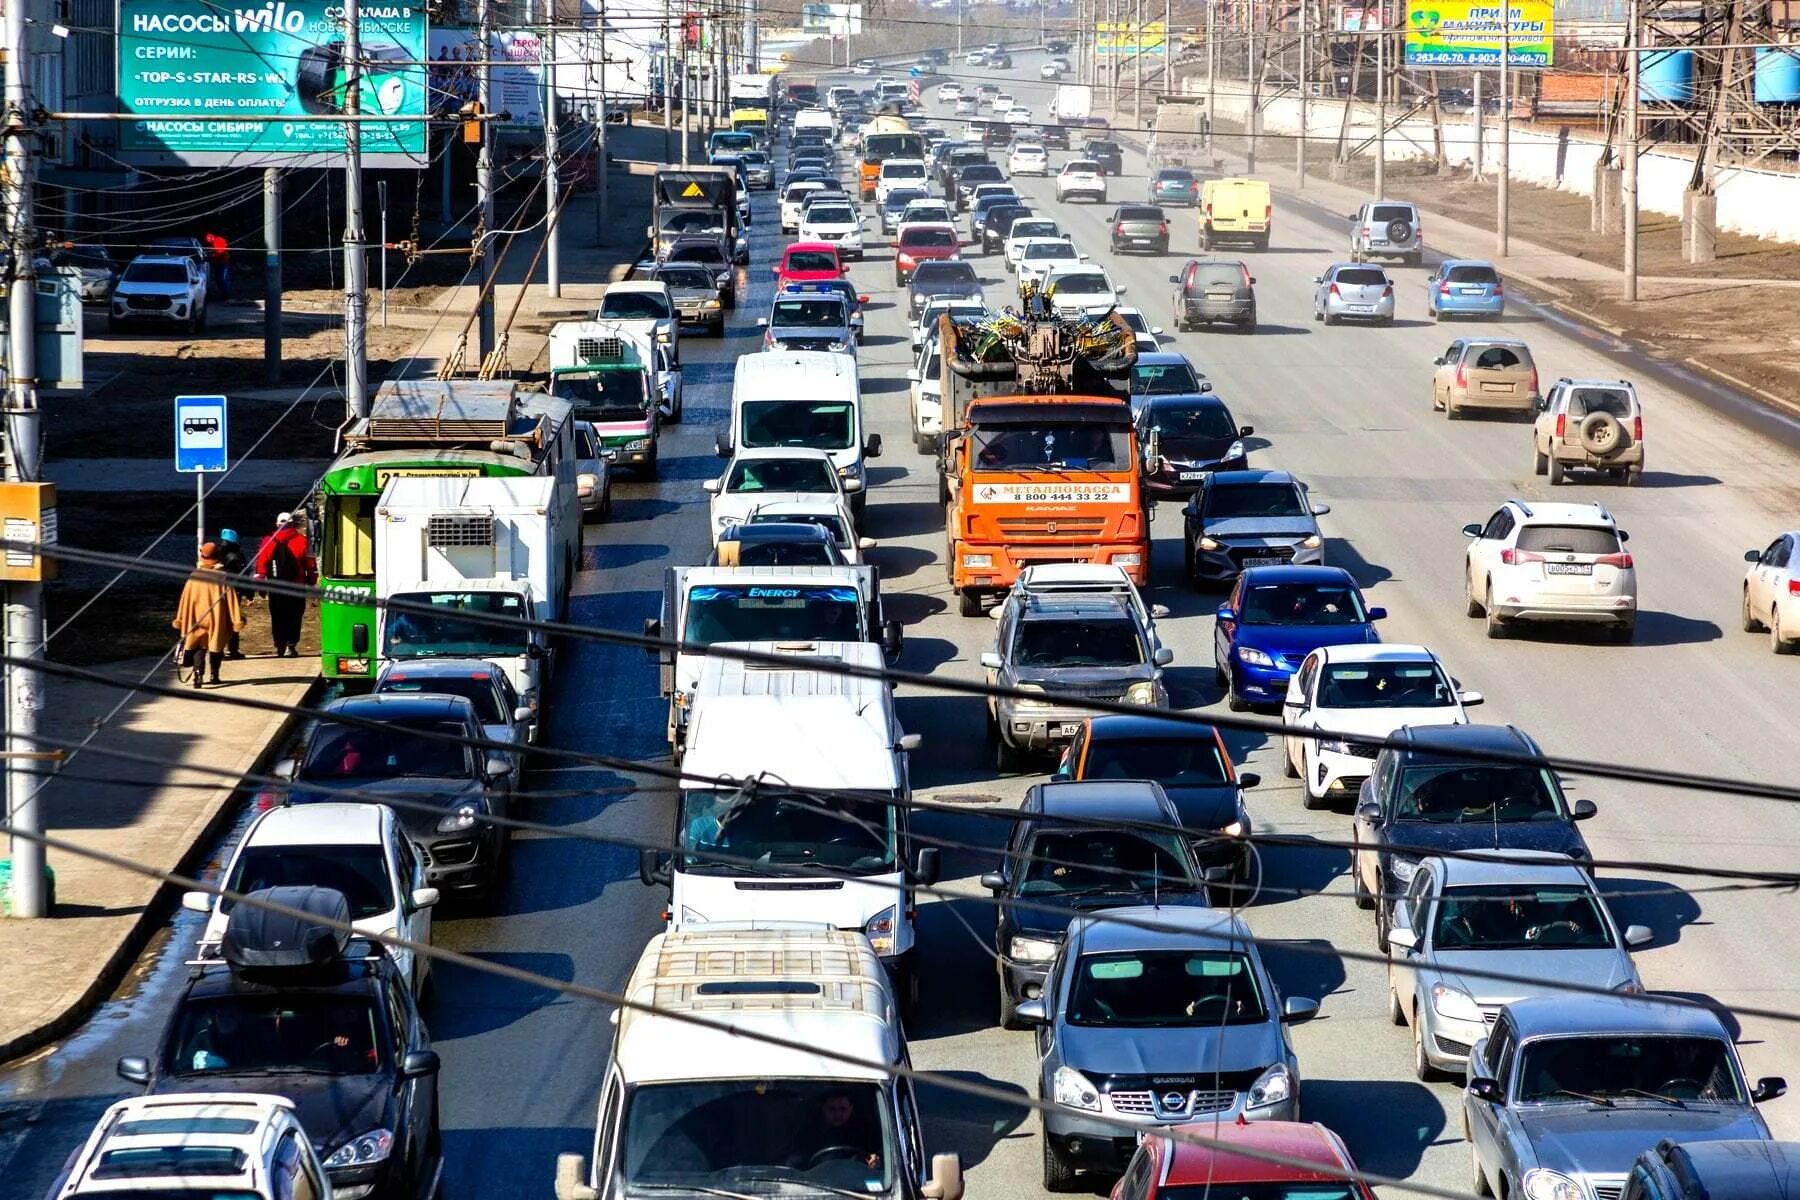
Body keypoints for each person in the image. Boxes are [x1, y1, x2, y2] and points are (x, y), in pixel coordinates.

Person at [172, 543, 244, 689]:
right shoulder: (222, 577)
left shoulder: (194, 577)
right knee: (216, 647)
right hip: (216, 619)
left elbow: (184, 600)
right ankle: (214, 675)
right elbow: (231, 599)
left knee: (199, 647)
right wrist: (237, 619)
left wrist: (180, 618)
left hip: (196, 619)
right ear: (218, 557)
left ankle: (198, 674)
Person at [254, 512, 316, 658]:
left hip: (275, 586)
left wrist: (261, 586)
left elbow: (261, 565)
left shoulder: (268, 541)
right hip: (296, 587)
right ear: (292, 523)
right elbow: (310, 565)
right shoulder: (302, 541)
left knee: (277, 617)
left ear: (277, 524)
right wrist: (311, 581)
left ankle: (279, 645)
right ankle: (291, 645)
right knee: (295, 617)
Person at [215, 529, 250, 659]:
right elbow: (244, 576)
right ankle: (233, 650)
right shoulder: (237, 555)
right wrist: (249, 594)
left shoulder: (216, 553)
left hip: (216, 592)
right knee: (234, 619)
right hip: (234, 592)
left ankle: (219, 649)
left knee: (219, 621)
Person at [201, 230, 230, 302]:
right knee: (218, 278)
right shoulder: (213, 243)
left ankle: (225, 295)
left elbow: (220, 252)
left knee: (222, 279)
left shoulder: (219, 241)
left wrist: (210, 256)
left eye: (209, 238)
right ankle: (222, 294)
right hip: (218, 263)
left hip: (223, 263)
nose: (208, 240)